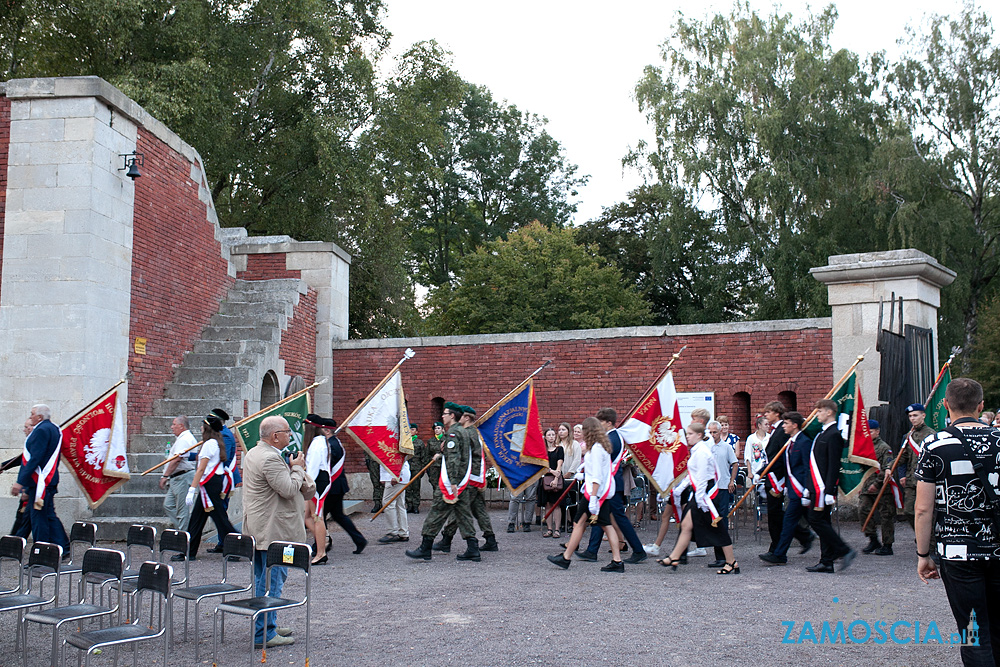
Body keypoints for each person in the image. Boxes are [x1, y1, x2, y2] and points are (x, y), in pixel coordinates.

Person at [915, 377, 1000, 667]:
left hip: (958, 550)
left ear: (947, 405)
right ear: (981, 405)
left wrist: (923, 555)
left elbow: (924, 508)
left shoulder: (935, 444)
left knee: (974, 632)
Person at [242, 415, 315, 649]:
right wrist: (297, 469)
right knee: (272, 581)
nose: (289, 435)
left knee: (265, 578)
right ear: (275, 436)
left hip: (265, 529)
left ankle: (269, 622)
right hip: (274, 532)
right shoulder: (270, 458)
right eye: (286, 431)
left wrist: (294, 469)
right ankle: (265, 632)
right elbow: (288, 489)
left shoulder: (256, 453)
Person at [656, 422, 740, 574]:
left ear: (699, 435)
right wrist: (680, 489)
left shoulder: (701, 452)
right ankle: (674, 557)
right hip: (700, 493)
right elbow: (693, 474)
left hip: (705, 494)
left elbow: (701, 478)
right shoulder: (697, 450)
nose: (687, 437)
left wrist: (700, 499)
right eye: (687, 434)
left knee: (718, 528)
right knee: (686, 526)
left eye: (690, 434)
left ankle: (731, 561)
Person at [406, 402, 479, 562]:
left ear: (452, 416)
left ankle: (425, 547)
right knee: (463, 515)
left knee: (436, 513)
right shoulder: (463, 431)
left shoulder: (453, 433)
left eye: (445, 414)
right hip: (462, 482)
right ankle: (473, 549)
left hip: (451, 483)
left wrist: (452, 481)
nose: (442, 416)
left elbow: (454, 459)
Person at [548, 417, 622, 571]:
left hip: (594, 495)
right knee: (589, 524)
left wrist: (593, 498)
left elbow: (597, 476)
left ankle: (567, 557)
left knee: (587, 524)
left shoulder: (596, 449)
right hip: (598, 494)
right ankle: (567, 556)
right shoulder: (600, 446)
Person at [577, 408, 648, 565]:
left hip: (611, 484)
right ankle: (592, 550)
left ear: (608, 423)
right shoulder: (612, 437)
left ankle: (637, 550)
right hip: (609, 483)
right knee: (601, 516)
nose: (599, 425)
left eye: (601, 422)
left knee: (618, 518)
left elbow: (602, 460)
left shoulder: (612, 438)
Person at [803, 399, 857, 573]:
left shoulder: (834, 434)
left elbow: (834, 465)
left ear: (829, 412)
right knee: (823, 522)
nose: (816, 414)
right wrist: (807, 487)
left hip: (823, 489)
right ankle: (826, 561)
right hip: (815, 487)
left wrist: (830, 490)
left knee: (816, 520)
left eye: (819, 411)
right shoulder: (822, 433)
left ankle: (844, 550)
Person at [436, 407, 499, 553]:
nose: (459, 419)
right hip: (474, 477)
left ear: (467, 418)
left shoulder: (468, 433)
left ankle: (447, 539)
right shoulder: (472, 433)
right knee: (479, 510)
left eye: (462, 417)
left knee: (458, 509)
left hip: (469, 478)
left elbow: (465, 456)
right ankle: (490, 539)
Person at [12, 404, 70, 553]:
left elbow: (35, 458)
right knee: (48, 515)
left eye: (32, 414)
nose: (30, 416)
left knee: (39, 519)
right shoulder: (53, 428)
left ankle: (42, 553)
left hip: (41, 483)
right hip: (46, 481)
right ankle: (63, 547)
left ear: (39, 417)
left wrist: (20, 482)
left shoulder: (42, 430)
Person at [760, 400, 813, 558]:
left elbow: (782, 458)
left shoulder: (783, 431)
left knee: (777, 514)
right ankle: (797, 539)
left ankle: (778, 549)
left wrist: (768, 474)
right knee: (777, 515)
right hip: (772, 476)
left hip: (779, 478)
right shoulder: (776, 430)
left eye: (768, 412)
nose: (766, 415)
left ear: (777, 413)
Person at [183, 415, 239, 560]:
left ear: (207, 428)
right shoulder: (216, 442)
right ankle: (189, 551)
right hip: (214, 482)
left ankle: (239, 547)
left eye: (202, 425)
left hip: (210, 483)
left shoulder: (209, 444)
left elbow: (201, 469)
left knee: (220, 519)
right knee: (197, 518)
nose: (201, 428)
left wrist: (191, 489)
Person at [323, 423, 367, 554]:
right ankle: (359, 540)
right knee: (338, 515)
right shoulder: (336, 442)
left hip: (333, 486)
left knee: (319, 516)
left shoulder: (331, 445)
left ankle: (323, 542)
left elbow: (327, 465)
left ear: (327, 431)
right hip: (337, 485)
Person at [858, 420, 896, 556]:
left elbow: (887, 467)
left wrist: (877, 483)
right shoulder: (862, 447)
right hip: (866, 487)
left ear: (877, 432)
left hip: (881, 488)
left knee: (886, 515)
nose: (868, 434)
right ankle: (873, 539)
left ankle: (887, 544)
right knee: (863, 511)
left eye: (871, 431)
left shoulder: (884, 447)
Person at [897, 402, 936, 530]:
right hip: (911, 479)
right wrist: (896, 472)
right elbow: (902, 458)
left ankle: (930, 542)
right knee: (908, 511)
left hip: (925, 479)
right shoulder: (908, 436)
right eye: (910, 416)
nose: (912, 418)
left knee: (926, 512)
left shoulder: (931, 435)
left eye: (915, 415)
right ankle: (920, 534)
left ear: (923, 415)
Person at [707, 420, 738, 568]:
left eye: (715, 432)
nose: (712, 435)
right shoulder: (706, 447)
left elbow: (735, 463)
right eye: (710, 432)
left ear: (720, 432)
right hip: (710, 488)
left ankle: (727, 556)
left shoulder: (726, 447)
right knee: (713, 521)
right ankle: (718, 555)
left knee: (722, 520)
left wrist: (732, 480)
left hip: (723, 487)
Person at [160, 415, 198, 532]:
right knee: (168, 505)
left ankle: (184, 534)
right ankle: (183, 530)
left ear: (181, 426)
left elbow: (177, 459)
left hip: (183, 476)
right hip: (176, 477)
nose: (172, 427)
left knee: (182, 510)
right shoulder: (182, 438)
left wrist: (165, 476)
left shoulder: (185, 439)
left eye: (174, 424)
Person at [303, 415, 332, 564]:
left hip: (317, 481)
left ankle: (321, 552)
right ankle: (323, 540)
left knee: (316, 517)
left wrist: (306, 485)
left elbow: (312, 469)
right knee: (307, 516)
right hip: (318, 479)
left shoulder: (316, 443)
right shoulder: (321, 441)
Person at [376, 451, 410, 544]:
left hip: (395, 476)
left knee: (388, 503)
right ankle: (403, 532)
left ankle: (392, 532)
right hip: (394, 475)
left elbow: (400, 458)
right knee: (400, 505)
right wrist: (383, 477)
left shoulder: (395, 439)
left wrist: (396, 475)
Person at [540, 427, 565, 538]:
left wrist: (556, 478)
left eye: (553, 435)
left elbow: (560, 464)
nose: (551, 437)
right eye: (549, 435)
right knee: (548, 505)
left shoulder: (559, 449)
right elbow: (541, 465)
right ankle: (549, 528)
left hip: (557, 478)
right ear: (545, 437)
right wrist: (551, 471)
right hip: (546, 477)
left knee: (557, 504)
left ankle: (557, 529)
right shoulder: (542, 451)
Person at [744, 415, 769, 499]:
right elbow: (748, 456)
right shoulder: (751, 438)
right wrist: (749, 472)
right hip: (756, 470)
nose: (768, 426)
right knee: (756, 495)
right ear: (759, 425)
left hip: (767, 470)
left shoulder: (770, 437)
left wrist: (762, 449)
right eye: (766, 424)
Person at [406, 424, 424, 514]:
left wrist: (423, 469)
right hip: (406, 467)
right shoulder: (405, 441)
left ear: (416, 431)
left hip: (416, 467)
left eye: (412, 429)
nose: (410, 431)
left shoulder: (419, 442)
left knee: (416, 487)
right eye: (409, 429)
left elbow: (423, 456)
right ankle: (409, 505)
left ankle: (416, 505)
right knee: (408, 487)